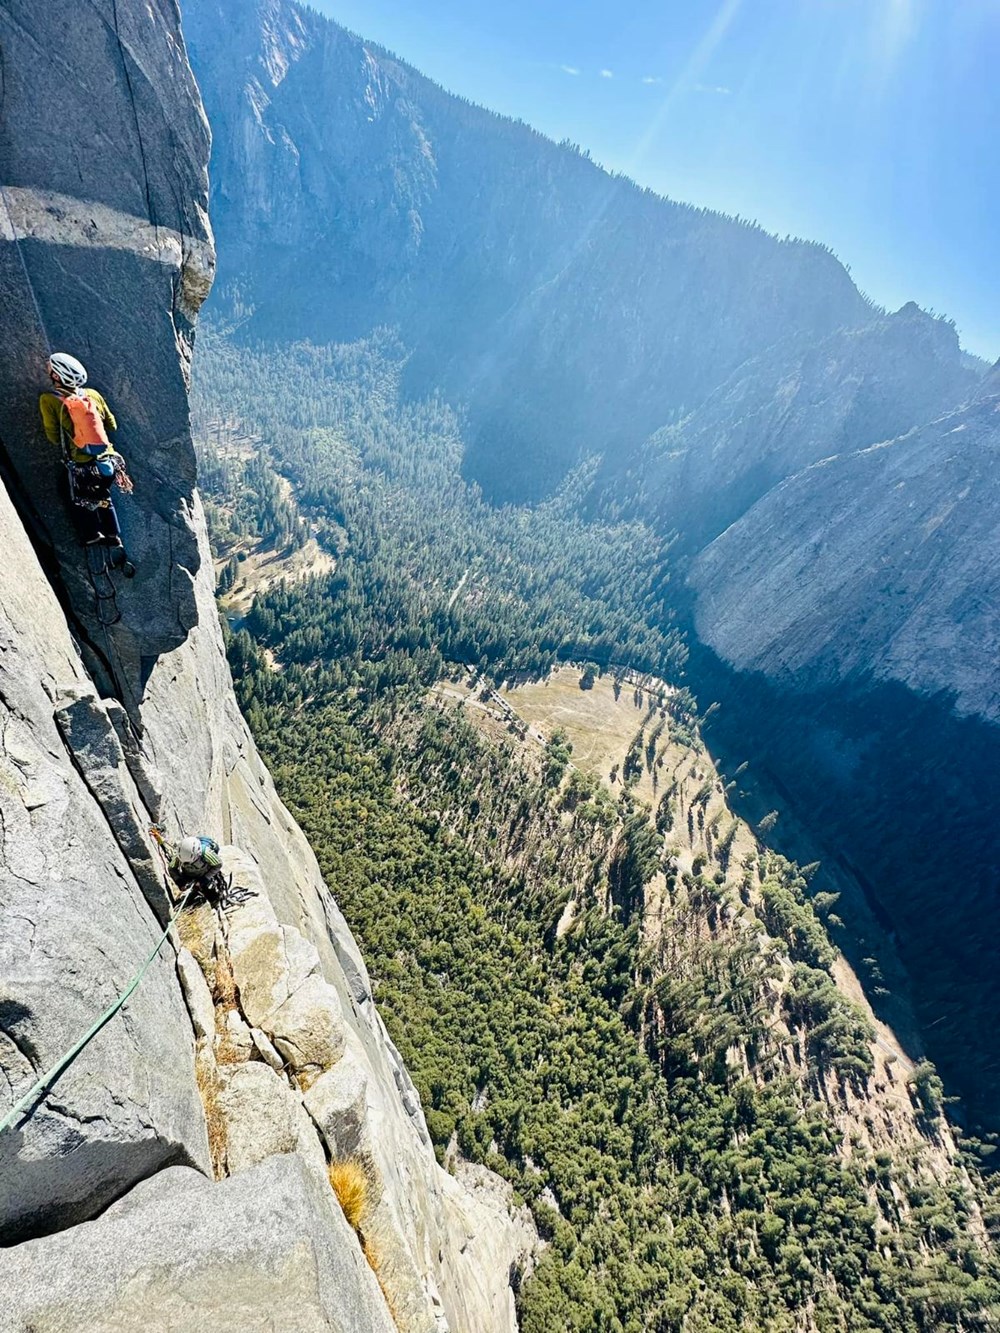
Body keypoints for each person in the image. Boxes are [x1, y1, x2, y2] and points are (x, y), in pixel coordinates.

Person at [38, 352, 135, 572]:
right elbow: (112, 425)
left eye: (50, 367)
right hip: (108, 463)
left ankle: (92, 535)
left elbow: (53, 437)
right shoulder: (93, 394)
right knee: (102, 496)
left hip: (82, 466)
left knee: (75, 497)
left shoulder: (49, 400)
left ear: (56, 375)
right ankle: (113, 536)